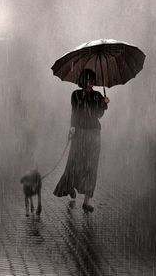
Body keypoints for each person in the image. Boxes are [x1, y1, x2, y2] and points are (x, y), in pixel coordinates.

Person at [53, 69, 109, 212]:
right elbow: (75, 112)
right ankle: (69, 186)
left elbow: (98, 115)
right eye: (89, 80)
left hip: (94, 133)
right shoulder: (76, 94)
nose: (92, 83)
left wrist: (104, 104)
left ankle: (87, 201)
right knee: (74, 163)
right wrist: (72, 126)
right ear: (83, 80)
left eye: (93, 80)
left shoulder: (97, 95)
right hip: (79, 132)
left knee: (91, 167)